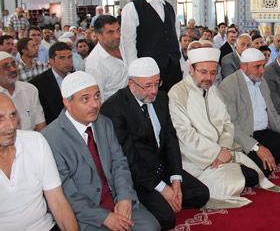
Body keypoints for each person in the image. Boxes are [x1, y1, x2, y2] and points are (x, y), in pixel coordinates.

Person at [42, 71, 161, 231]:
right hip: (85, 213)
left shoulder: (103, 122)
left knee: (151, 227)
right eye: (86, 99)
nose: (95, 104)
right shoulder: (50, 138)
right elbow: (64, 193)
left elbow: (120, 163)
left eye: (97, 96)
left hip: (116, 199)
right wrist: (103, 216)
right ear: (67, 103)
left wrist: (125, 198)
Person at [101, 57, 209, 229]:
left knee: (201, 194)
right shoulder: (114, 108)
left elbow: (170, 139)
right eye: (147, 86)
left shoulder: (161, 99)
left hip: (162, 169)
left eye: (157, 83)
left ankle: (166, 200)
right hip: (139, 176)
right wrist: (162, 188)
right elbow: (129, 159)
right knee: (166, 220)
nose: (153, 90)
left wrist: (175, 179)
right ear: (131, 84)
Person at [168, 48, 280, 209]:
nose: (209, 78)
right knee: (231, 183)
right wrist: (214, 152)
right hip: (197, 158)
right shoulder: (178, 93)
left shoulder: (213, 91)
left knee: (257, 173)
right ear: (191, 69)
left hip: (223, 151)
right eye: (203, 72)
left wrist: (223, 148)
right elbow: (184, 135)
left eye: (213, 73)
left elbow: (227, 123)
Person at [219, 48, 280, 177]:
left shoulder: (262, 81)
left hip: (265, 133)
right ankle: (254, 157)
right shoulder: (229, 85)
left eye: (263, 65)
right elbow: (232, 126)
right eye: (257, 67)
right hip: (246, 136)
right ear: (243, 67)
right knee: (261, 171)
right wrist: (256, 147)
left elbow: (273, 114)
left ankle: (264, 155)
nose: (262, 71)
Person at [0, 93, 79, 231]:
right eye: (0, 118)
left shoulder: (35, 141)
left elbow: (58, 202)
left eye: (13, 115)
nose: (11, 125)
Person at [121, 0, 182, 93]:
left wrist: (179, 61)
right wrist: (135, 72)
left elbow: (175, 37)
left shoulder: (169, 7)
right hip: (149, 71)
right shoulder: (132, 8)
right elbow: (128, 43)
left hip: (173, 69)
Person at [85, 15, 128, 102]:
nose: (117, 35)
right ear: (99, 36)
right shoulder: (94, 64)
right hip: (113, 111)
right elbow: (97, 99)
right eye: (110, 32)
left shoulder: (125, 44)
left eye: (118, 30)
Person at [0, 51, 46, 131]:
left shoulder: (30, 89)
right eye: (6, 67)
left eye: (14, 64)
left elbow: (40, 124)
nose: (13, 69)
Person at [30, 42, 73, 125]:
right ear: (51, 61)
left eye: (69, 57)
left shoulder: (76, 78)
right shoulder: (39, 83)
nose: (67, 62)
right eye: (62, 58)